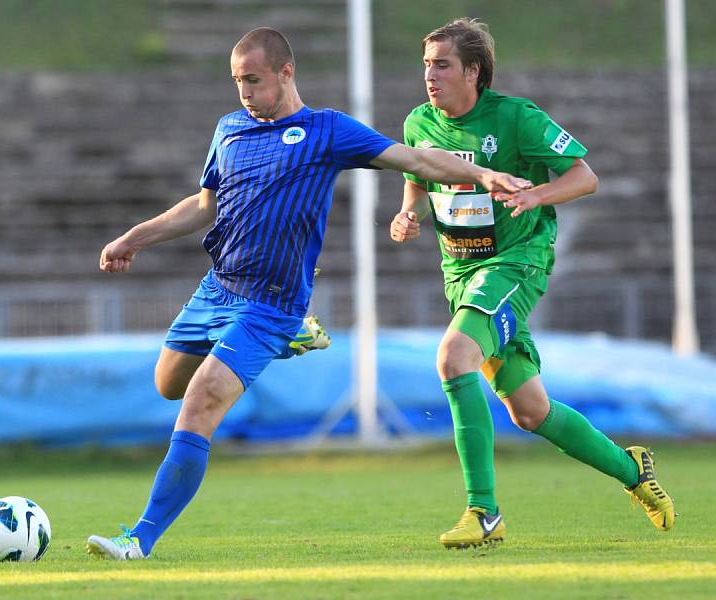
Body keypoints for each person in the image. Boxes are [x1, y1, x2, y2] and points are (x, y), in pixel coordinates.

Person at [85, 26, 531, 560]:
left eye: (254, 79)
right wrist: (135, 238)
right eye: (237, 81)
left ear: (286, 73)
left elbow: (416, 160)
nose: (244, 91)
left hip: (270, 302)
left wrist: (482, 174)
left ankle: (139, 538)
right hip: (217, 288)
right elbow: (205, 206)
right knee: (168, 384)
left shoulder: (327, 131)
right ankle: (294, 337)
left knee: (201, 401)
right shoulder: (229, 130)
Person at [389, 18, 675, 549]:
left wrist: (534, 196)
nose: (430, 75)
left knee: (454, 357)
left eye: (442, 64)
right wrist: (408, 215)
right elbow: (416, 179)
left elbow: (584, 177)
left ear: (473, 71)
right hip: (462, 274)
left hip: (517, 263)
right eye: (426, 64)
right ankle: (633, 469)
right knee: (530, 411)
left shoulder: (516, 118)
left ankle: (484, 514)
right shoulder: (418, 123)